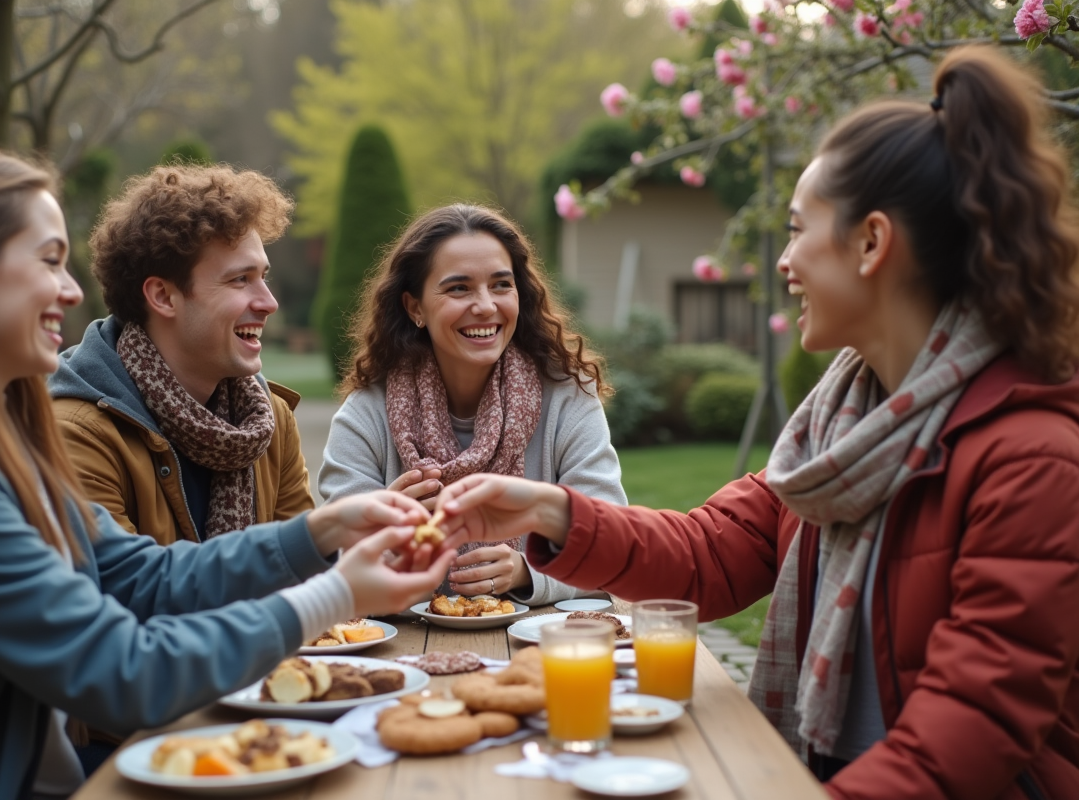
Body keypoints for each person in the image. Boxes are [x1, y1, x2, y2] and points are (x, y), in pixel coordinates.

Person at [432, 48, 1079, 800]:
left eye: (800, 229)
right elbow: (712, 552)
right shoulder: (846, 424)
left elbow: (970, 733)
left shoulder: (1033, 458)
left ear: (872, 244)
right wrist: (553, 510)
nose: (784, 260)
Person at [0, 149, 452, 800]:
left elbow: (142, 575)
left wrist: (321, 531)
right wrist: (336, 593)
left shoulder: (0, 446)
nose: (71, 290)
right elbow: (122, 672)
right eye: (47, 260)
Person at [319, 204, 626, 605]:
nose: (485, 306)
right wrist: (385, 540)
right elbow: (333, 562)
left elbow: (612, 544)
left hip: (539, 645)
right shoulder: (367, 414)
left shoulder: (568, 401)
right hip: (406, 652)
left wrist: (527, 571)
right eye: (459, 288)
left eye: (501, 285)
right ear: (415, 308)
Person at [49, 163, 313, 545]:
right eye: (240, 279)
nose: (269, 302)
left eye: (263, 276)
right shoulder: (78, 434)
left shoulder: (269, 423)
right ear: (162, 297)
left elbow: (313, 579)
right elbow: (127, 589)